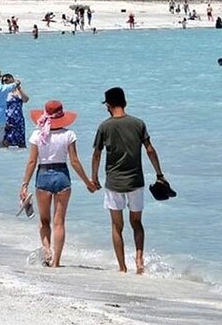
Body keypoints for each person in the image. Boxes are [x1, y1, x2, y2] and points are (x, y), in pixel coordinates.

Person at [91, 87, 170, 274]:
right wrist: (159, 174)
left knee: (117, 226)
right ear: (125, 102)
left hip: (114, 183)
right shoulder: (138, 124)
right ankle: (140, 258)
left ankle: (122, 267)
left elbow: (96, 154)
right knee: (137, 223)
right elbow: (150, 150)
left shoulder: (104, 127)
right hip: (136, 181)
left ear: (108, 105)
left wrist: (94, 178)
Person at [20, 100, 96, 268]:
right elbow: (75, 161)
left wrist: (24, 184)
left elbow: (32, 162)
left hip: (43, 175)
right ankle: (56, 262)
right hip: (62, 176)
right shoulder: (68, 135)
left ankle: (47, 250)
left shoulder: (37, 135)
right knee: (59, 221)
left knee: (44, 220)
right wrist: (87, 182)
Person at [2, 73, 30, 148]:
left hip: (19, 121)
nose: (5, 82)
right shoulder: (3, 93)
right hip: (7, 121)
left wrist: (19, 87)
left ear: (12, 79)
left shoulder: (18, 91)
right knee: (4, 144)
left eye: (6, 79)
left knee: (21, 144)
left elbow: (26, 100)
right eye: (3, 80)